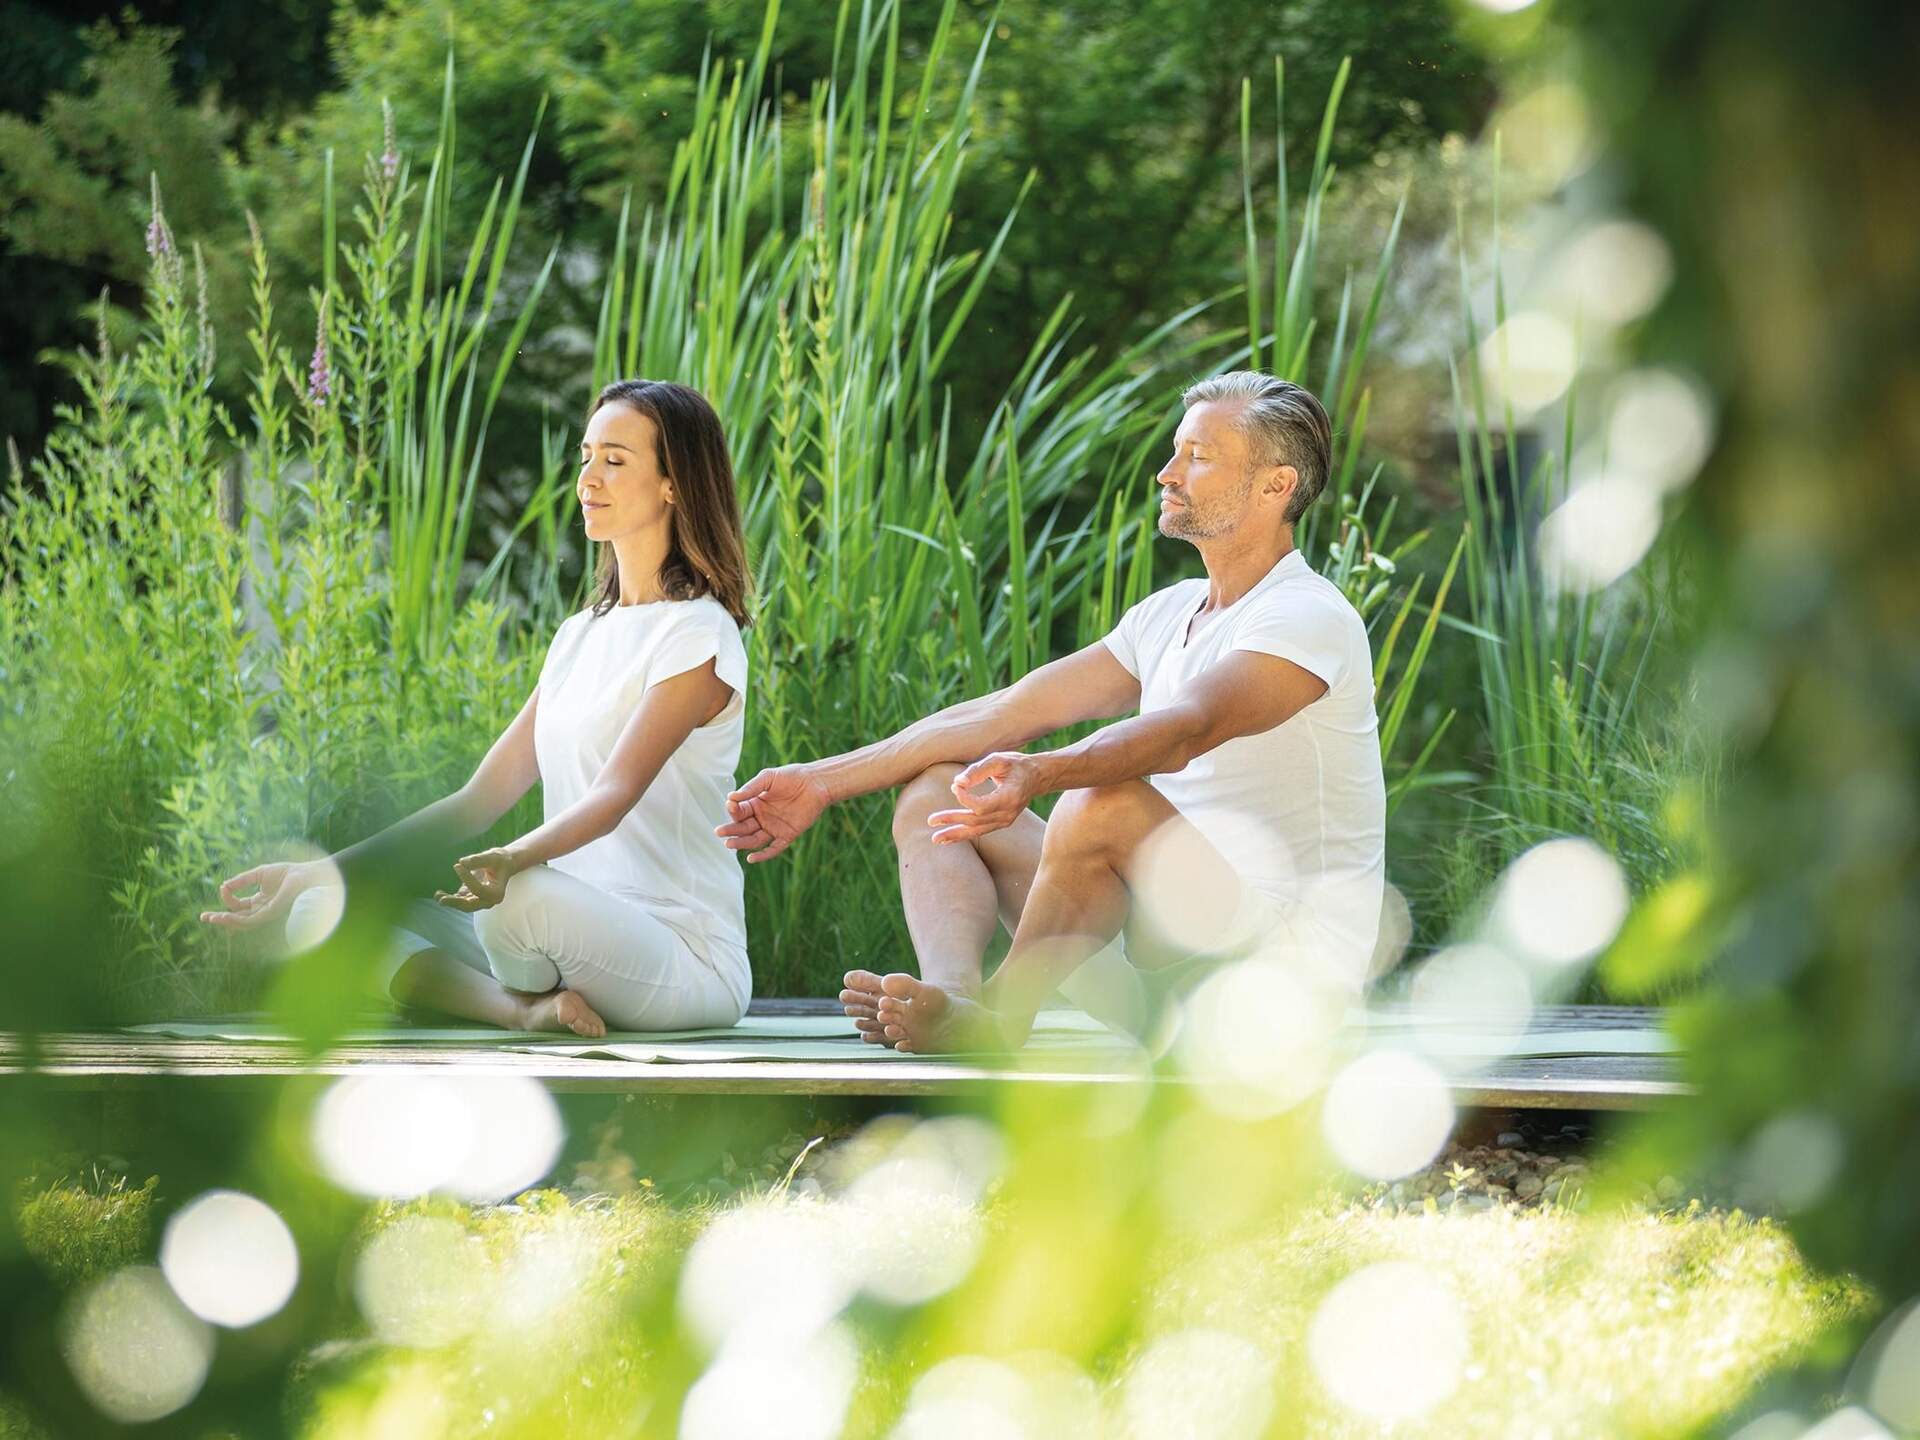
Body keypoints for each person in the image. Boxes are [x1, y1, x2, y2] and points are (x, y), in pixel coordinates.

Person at [718, 370, 1385, 1053]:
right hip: (1167, 985)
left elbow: (1186, 730)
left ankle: (1001, 1024)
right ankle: (954, 1001)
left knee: (1104, 803)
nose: (1166, 472)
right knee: (940, 792)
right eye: (1176, 450)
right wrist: (823, 781)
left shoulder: (1306, 616)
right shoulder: (1168, 615)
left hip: (1282, 987)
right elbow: (1002, 712)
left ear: (1278, 486)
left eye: (1199, 456)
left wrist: (1040, 773)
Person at [201, 379, 754, 1038]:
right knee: (321, 910)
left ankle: (531, 978)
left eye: (615, 459)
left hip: (681, 960)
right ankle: (521, 1011)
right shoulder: (579, 635)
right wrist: (314, 870)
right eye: (585, 456)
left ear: (673, 483)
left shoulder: (697, 633)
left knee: (515, 902)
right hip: (558, 947)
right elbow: (478, 798)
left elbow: (614, 794)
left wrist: (512, 861)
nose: (588, 478)